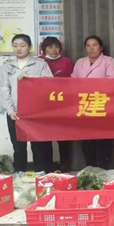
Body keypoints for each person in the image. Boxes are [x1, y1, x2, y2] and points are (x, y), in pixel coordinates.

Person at [0, 34, 54, 173]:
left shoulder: (40, 64)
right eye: (15, 46)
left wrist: (31, 78)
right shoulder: (7, 66)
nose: (18, 49)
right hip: (15, 113)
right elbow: (4, 89)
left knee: (38, 147)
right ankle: (20, 176)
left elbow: (50, 84)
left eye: (22, 45)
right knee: (18, 148)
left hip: (36, 113)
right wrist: (10, 111)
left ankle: (40, 176)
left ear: (29, 47)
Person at [72, 35, 114, 169]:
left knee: (103, 137)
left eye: (94, 45)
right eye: (88, 46)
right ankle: (90, 167)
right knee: (87, 138)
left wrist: (90, 87)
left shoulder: (108, 61)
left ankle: (104, 167)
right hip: (84, 104)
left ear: (101, 47)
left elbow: (111, 80)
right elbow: (72, 82)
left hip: (101, 103)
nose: (91, 48)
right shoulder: (80, 62)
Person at [39, 36, 74, 172]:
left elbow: (73, 80)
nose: (54, 50)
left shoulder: (66, 62)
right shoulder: (39, 62)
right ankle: (47, 166)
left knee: (63, 136)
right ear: (44, 49)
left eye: (57, 47)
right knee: (45, 137)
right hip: (44, 105)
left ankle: (65, 165)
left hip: (63, 103)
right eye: (50, 47)